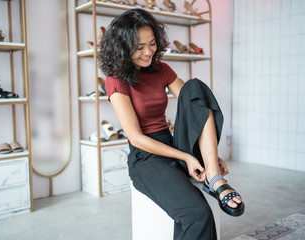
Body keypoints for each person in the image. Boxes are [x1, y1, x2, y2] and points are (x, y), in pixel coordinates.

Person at [98, 8, 244, 240]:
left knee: (195, 87)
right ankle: (212, 178)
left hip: (173, 143)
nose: (148, 52)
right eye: (139, 47)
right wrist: (186, 157)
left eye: (152, 43)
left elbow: (195, 104)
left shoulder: (162, 70)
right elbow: (136, 138)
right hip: (146, 156)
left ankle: (215, 177)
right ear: (123, 47)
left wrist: (208, 156)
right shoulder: (115, 80)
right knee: (198, 214)